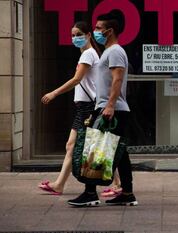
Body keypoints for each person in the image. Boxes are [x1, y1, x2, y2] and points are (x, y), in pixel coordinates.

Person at [37, 21, 121, 197]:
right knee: (75, 145)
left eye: (78, 35)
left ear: (89, 35)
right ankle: (60, 184)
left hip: (88, 108)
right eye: (73, 35)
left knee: (95, 145)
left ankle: (117, 183)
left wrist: (54, 93)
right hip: (84, 108)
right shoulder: (89, 54)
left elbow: (76, 80)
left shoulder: (88, 55)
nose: (75, 38)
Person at [67, 11, 137, 206]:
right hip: (110, 107)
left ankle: (90, 193)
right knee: (120, 153)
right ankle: (128, 193)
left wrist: (110, 106)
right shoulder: (108, 51)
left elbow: (118, 79)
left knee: (94, 149)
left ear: (109, 30)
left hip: (111, 109)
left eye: (98, 28)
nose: (96, 31)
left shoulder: (114, 51)